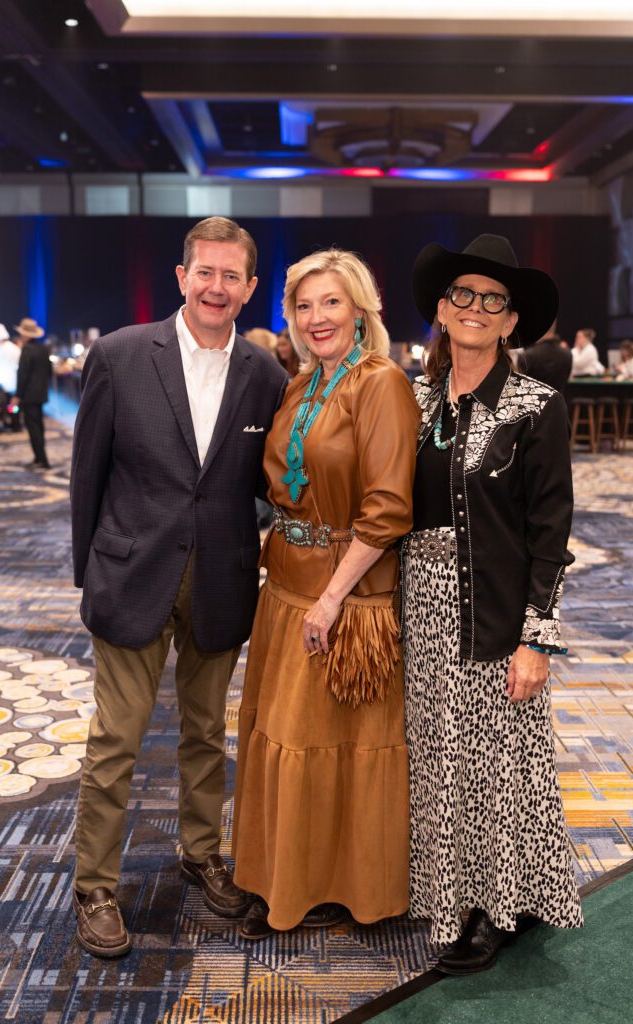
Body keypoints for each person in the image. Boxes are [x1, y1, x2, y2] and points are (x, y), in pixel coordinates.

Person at [70, 216, 288, 958]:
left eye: (232, 276)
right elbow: (86, 479)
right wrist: (88, 574)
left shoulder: (266, 375)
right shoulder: (121, 355)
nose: (216, 287)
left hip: (222, 580)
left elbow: (268, 480)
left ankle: (202, 853)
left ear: (250, 287)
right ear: (181, 276)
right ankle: (95, 883)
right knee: (115, 740)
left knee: (205, 735)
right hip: (130, 574)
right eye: (205, 272)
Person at [405, 234, 583, 976]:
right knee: (437, 762)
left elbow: (550, 532)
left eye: (492, 300)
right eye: (461, 296)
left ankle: (496, 907)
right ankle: (443, 893)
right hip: (414, 607)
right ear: (441, 312)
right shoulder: (407, 397)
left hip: (495, 610)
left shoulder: (535, 405)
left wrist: (536, 640)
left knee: (494, 766)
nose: (474, 309)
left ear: (511, 322)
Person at [232, 248, 420, 940]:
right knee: (281, 738)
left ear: (360, 309)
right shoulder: (299, 383)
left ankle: (345, 888)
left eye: (331, 303)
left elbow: (388, 506)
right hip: (283, 588)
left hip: (346, 596)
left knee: (338, 748)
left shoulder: (380, 383)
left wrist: (333, 597)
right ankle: (284, 878)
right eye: (303, 305)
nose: (316, 318)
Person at [15, 317, 52, 467]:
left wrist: (17, 395)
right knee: (39, 425)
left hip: (29, 395)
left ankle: (42, 460)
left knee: (33, 427)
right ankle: (40, 458)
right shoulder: (44, 349)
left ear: (25, 334)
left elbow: (22, 375)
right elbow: (49, 371)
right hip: (41, 393)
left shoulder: (27, 350)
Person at [519, 321, 572, 394]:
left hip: (533, 403)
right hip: (558, 403)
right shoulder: (567, 354)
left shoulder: (528, 355)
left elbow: (521, 384)